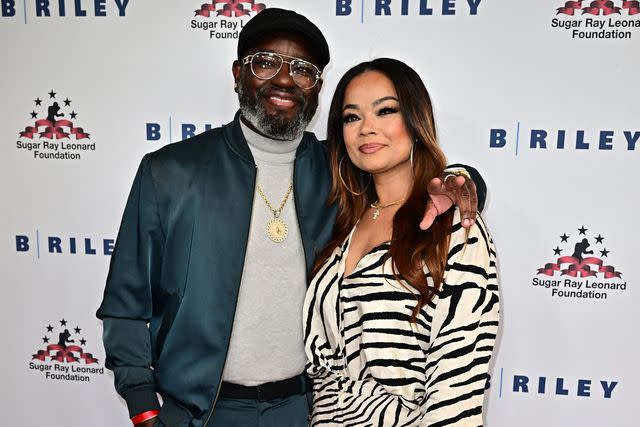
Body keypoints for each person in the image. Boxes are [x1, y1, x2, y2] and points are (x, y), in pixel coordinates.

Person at [96, 9, 486, 427]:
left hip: (305, 411)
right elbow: (126, 301)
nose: (284, 80)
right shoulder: (169, 172)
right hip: (197, 413)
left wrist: (466, 180)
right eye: (265, 62)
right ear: (237, 73)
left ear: (316, 89)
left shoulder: (338, 171)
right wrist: (143, 406)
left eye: (303, 69)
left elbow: (407, 179)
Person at [303, 58, 499, 426]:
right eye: (351, 117)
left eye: (385, 110)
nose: (366, 129)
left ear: (415, 119)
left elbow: (458, 381)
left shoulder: (454, 225)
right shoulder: (343, 222)